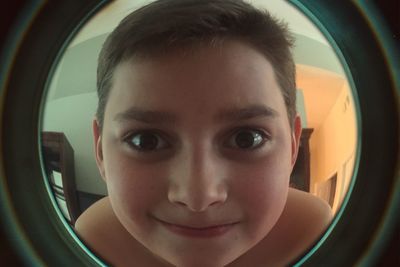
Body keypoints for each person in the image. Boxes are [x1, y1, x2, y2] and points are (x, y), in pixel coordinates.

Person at [75, 0, 333, 266]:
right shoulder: (93, 242)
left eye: (246, 139)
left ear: (292, 146)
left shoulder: (314, 234)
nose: (198, 197)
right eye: (146, 141)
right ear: (100, 151)